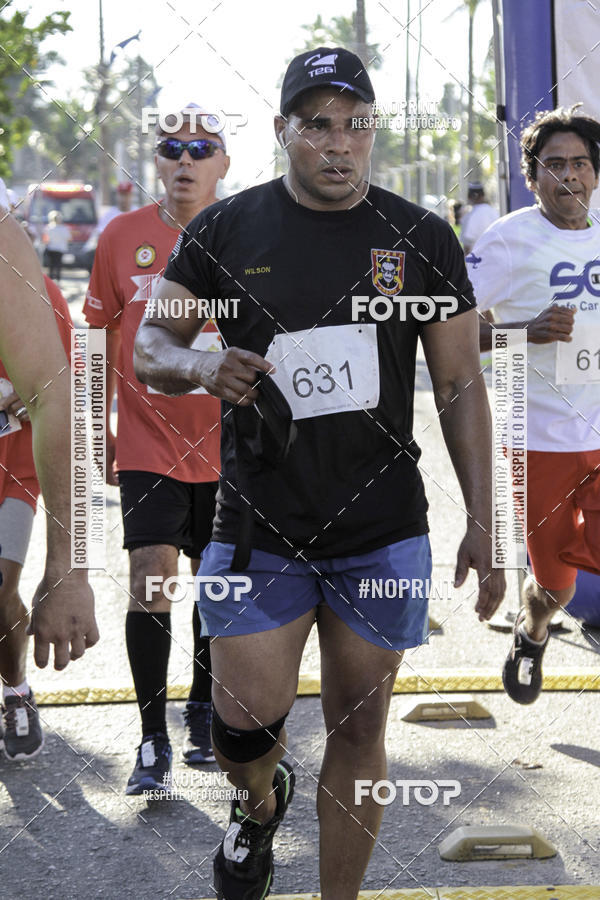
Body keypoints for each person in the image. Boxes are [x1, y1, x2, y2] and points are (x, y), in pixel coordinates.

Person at [134, 47, 505, 899]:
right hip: (259, 524)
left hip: (380, 529)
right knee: (241, 731)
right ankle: (259, 805)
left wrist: (486, 521)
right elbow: (151, 344)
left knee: (359, 721)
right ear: (283, 133)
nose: (339, 145)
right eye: (318, 127)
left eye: (356, 125)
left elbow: (458, 383)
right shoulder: (226, 230)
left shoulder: (422, 236)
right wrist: (198, 368)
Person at [84, 105, 229, 795]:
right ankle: (151, 738)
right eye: (171, 147)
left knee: (218, 583)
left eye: (201, 148)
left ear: (223, 165)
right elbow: (94, 340)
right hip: (146, 441)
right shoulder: (120, 237)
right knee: (150, 578)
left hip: (232, 448)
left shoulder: (250, 236)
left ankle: (204, 714)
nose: (184, 160)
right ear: (156, 162)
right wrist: (93, 433)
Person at [469, 106, 600, 704]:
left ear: (595, 174)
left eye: (579, 163)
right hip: (537, 441)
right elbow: (450, 332)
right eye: (554, 165)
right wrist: (522, 332)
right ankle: (535, 626)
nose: (568, 175)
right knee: (555, 586)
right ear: (533, 176)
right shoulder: (506, 241)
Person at [0, 193, 98, 676]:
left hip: (15, 463)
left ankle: (15, 687)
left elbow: (60, 389)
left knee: (1, 589)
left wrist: (68, 568)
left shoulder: (41, 292)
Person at [0, 269, 73, 759]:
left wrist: (26, 394)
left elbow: (64, 379)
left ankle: (16, 690)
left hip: (14, 466)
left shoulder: (33, 286)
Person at [461, 182, 498, 253]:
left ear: (469, 197)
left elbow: (467, 246)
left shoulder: (470, 216)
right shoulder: (494, 212)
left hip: (477, 261)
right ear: (483, 195)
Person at [43, 210, 70, 282]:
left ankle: (50, 280)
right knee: (58, 265)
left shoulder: (48, 228)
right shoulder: (64, 228)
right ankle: (58, 280)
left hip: (51, 248)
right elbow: (68, 238)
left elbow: (45, 239)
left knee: (51, 265)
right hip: (60, 249)